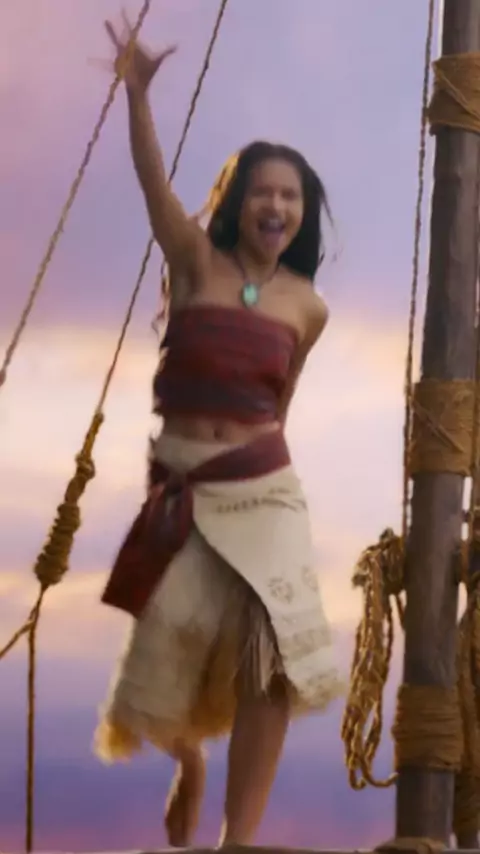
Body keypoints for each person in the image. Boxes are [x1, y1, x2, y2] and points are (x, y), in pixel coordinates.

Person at [94, 13, 344, 849]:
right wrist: (137, 93)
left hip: (264, 487)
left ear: (302, 213)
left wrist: (267, 482)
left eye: (290, 196)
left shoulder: (308, 307)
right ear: (238, 202)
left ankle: (240, 840)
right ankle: (190, 762)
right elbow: (153, 186)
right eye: (263, 191)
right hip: (184, 478)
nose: (276, 204)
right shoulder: (194, 259)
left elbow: (282, 401)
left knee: (269, 659)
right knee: (165, 658)